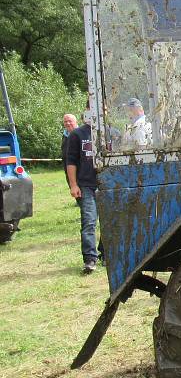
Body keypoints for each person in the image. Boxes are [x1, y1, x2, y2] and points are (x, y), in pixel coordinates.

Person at [66, 108, 100, 274]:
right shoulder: (77, 134)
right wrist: (73, 185)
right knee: (89, 221)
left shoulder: (110, 132)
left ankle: (106, 254)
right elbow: (71, 161)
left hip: (107, 184)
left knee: (110, 221)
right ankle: (90, 259)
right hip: (86, 185)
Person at [61, 113, 78, 185]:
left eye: (70, 121)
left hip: (80, 170)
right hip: (68, 169)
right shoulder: (65, 136)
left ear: (76, 122)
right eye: (65, 121)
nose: (68, 123)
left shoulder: (81, 134)